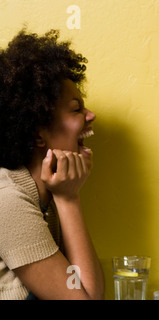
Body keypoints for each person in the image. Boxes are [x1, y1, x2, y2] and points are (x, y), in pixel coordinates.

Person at [0, 29, 104, 299]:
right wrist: (69, 200)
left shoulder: (44, 193)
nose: (91, 115)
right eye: (76, 108)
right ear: (37, 134)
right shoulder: (8, 201)